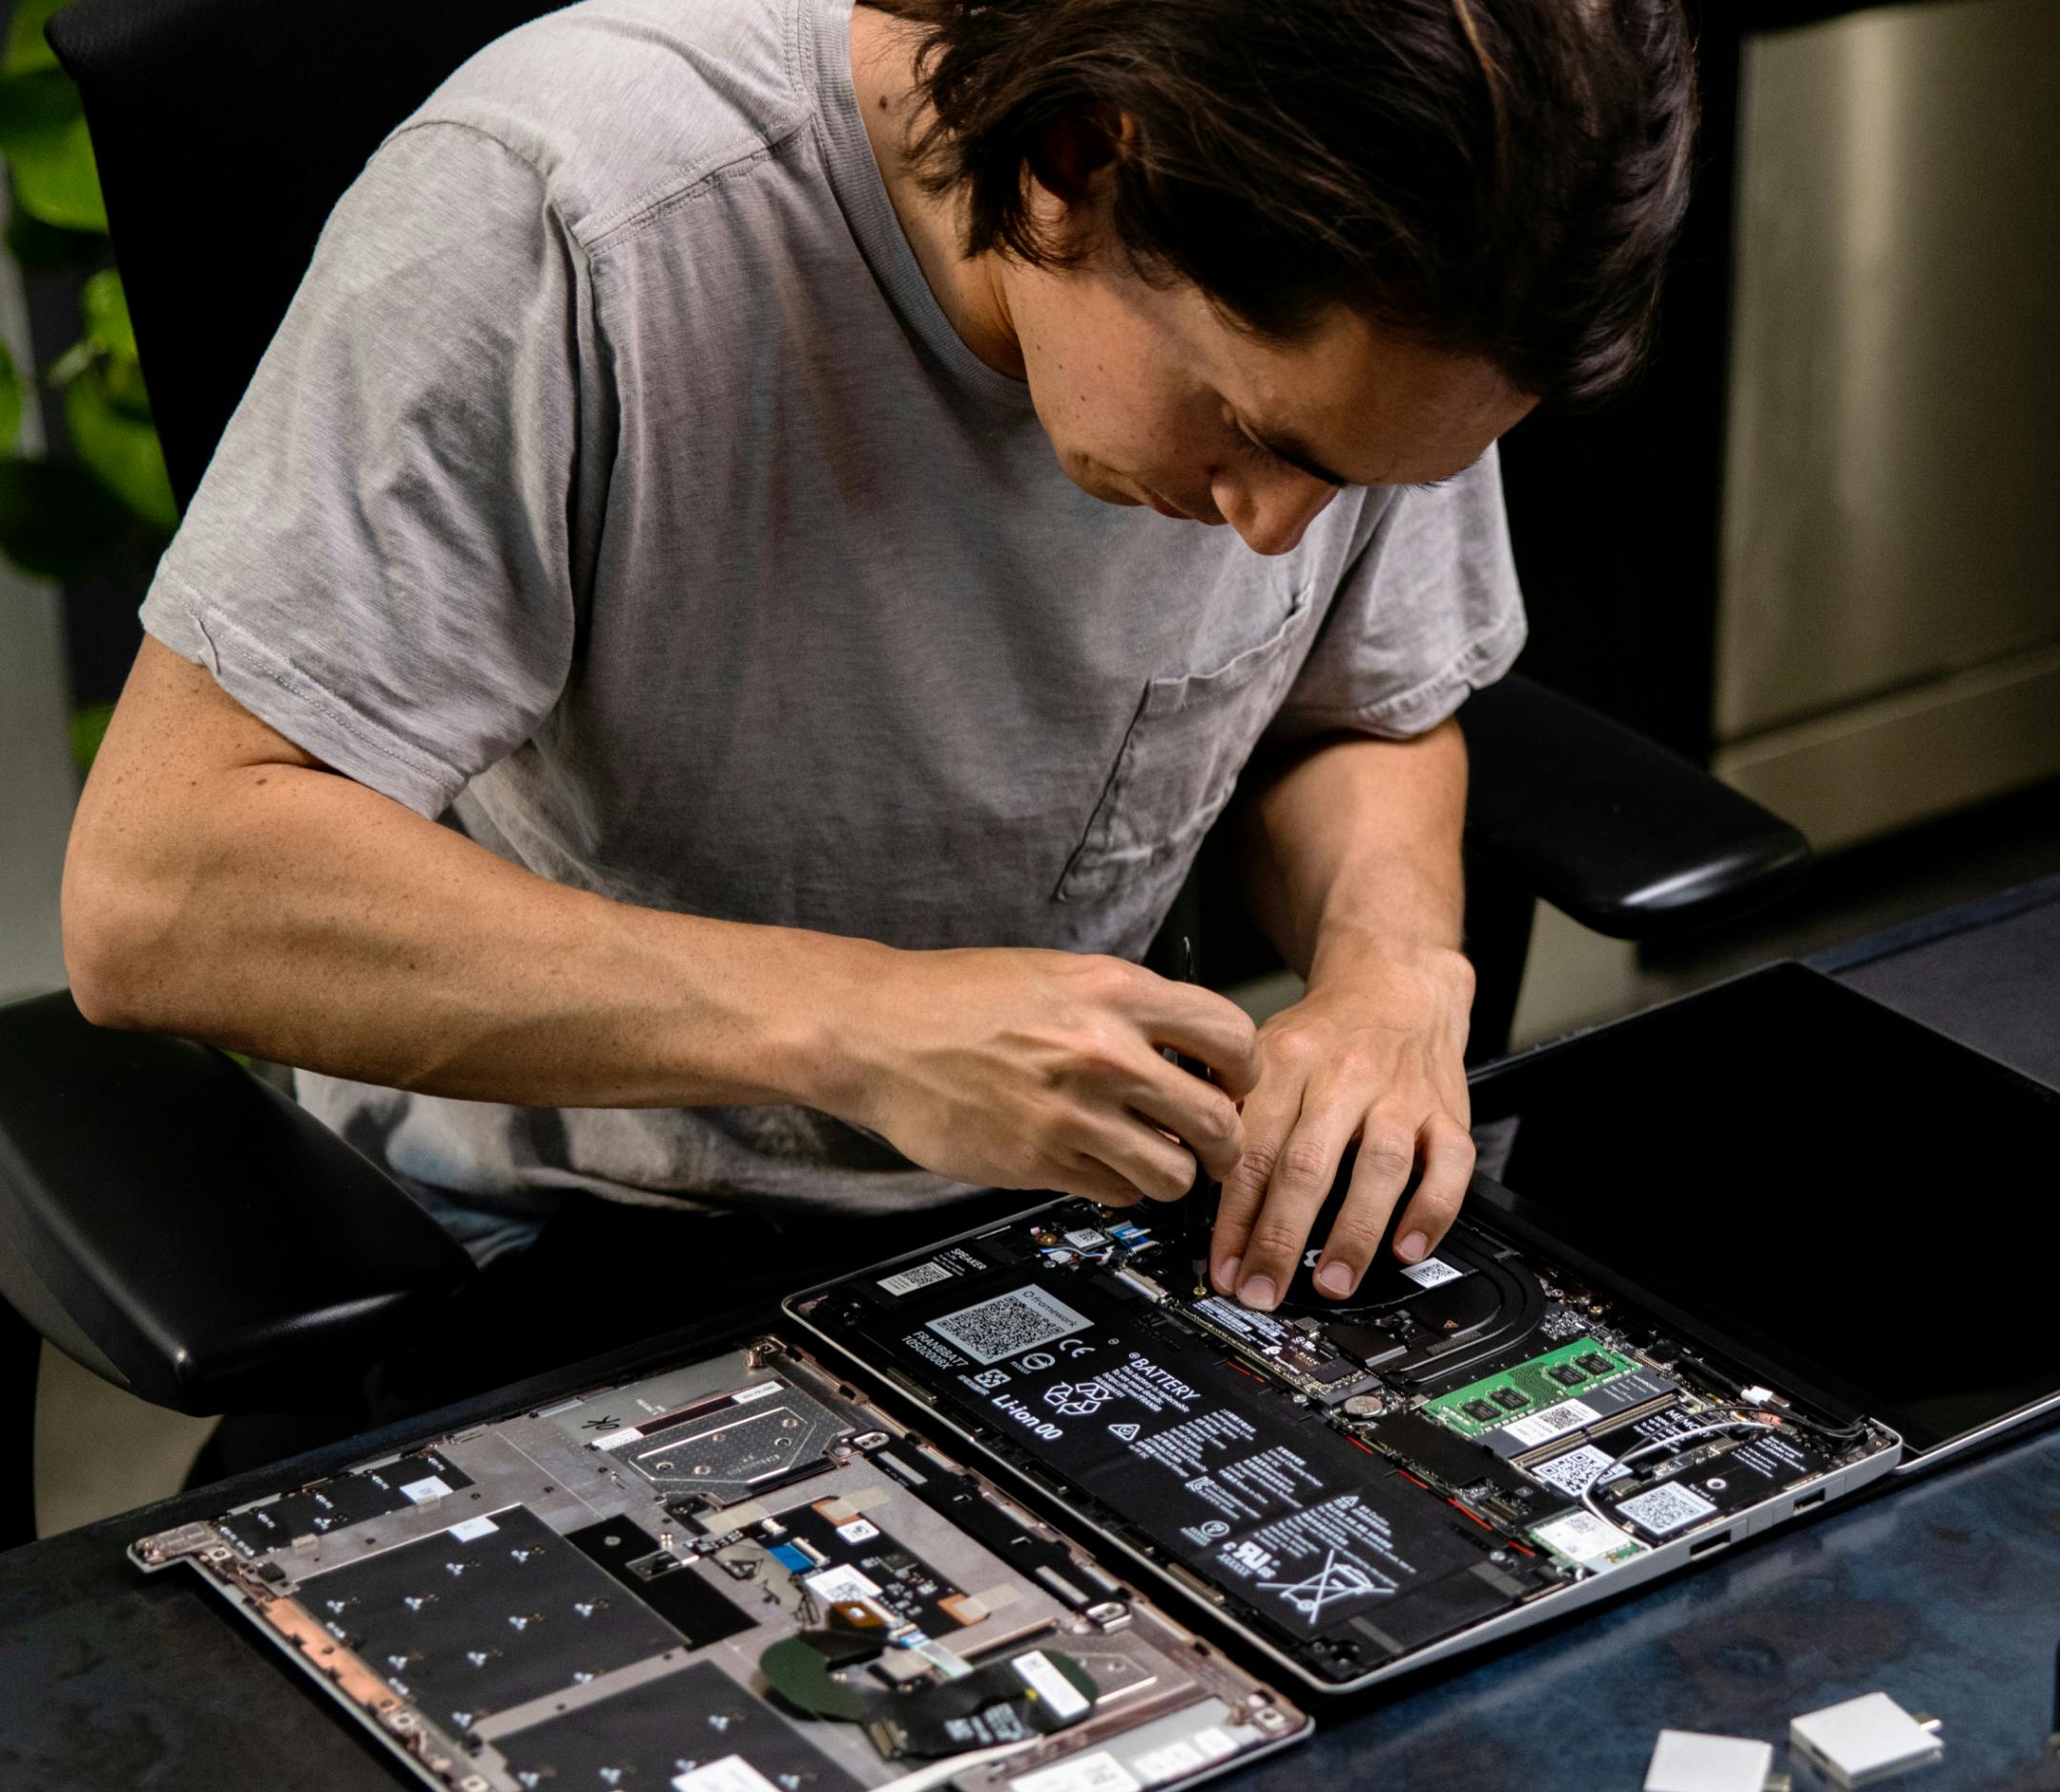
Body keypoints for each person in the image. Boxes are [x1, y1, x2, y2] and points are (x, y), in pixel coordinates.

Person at [59, 0, 1693, 1436]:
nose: (1278, 525)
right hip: (561, 1261)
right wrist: (863, 1023)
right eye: (1252, 433)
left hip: (1081, 1205)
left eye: (1348, 479)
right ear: (1073, 163)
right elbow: (164, 890)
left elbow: (1360, 713)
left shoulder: (1396, 292)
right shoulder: (572, 208)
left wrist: (1393, 967)